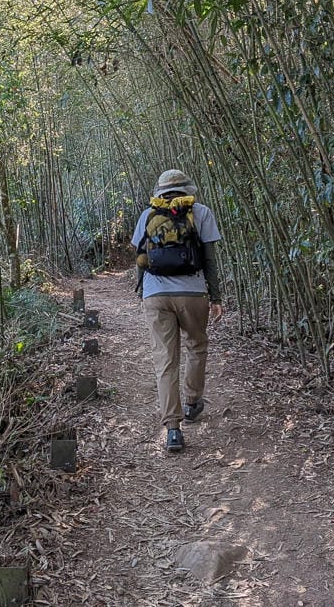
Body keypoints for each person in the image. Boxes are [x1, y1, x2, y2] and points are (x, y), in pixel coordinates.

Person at [133, 169, 224, 453]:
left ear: (161, 191)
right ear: (187, 188)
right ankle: (193, 402)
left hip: (155, 295)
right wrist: (216, 297)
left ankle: (173, 430)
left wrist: (142, 290)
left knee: (165, 360)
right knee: (196, 346)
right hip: (193, 293)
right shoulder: (200, 212)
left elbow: (140, 257)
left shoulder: (148, 214)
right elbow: (209, 259)